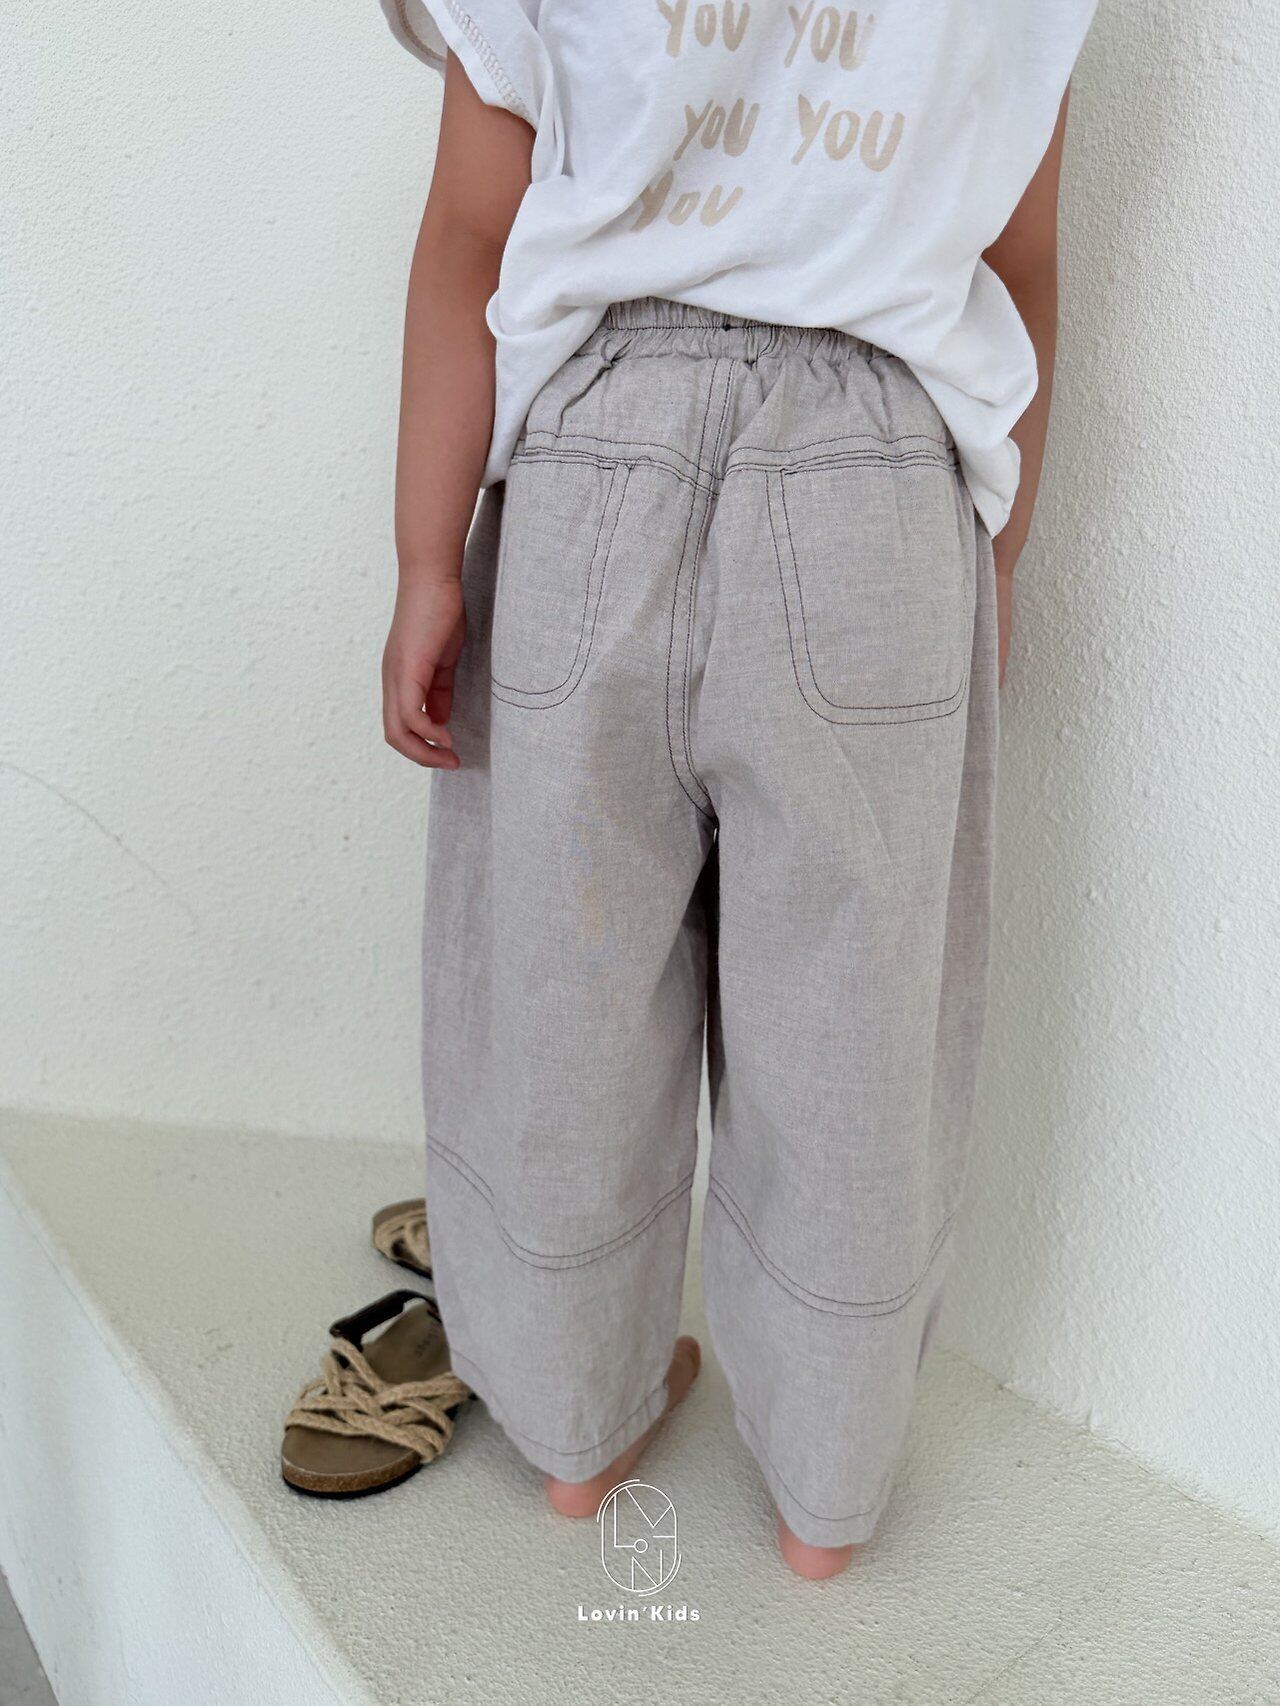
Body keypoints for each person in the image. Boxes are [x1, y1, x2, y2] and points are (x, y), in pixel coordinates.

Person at [378, 0, 1095, 1579]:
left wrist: (429, 557)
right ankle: (825, 1494)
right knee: (855, 1021)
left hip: (592, 466)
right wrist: (995, 560)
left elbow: (470, 237)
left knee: (562, 989)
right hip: (881, 485)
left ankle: (578, 1428)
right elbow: (1022, 265)